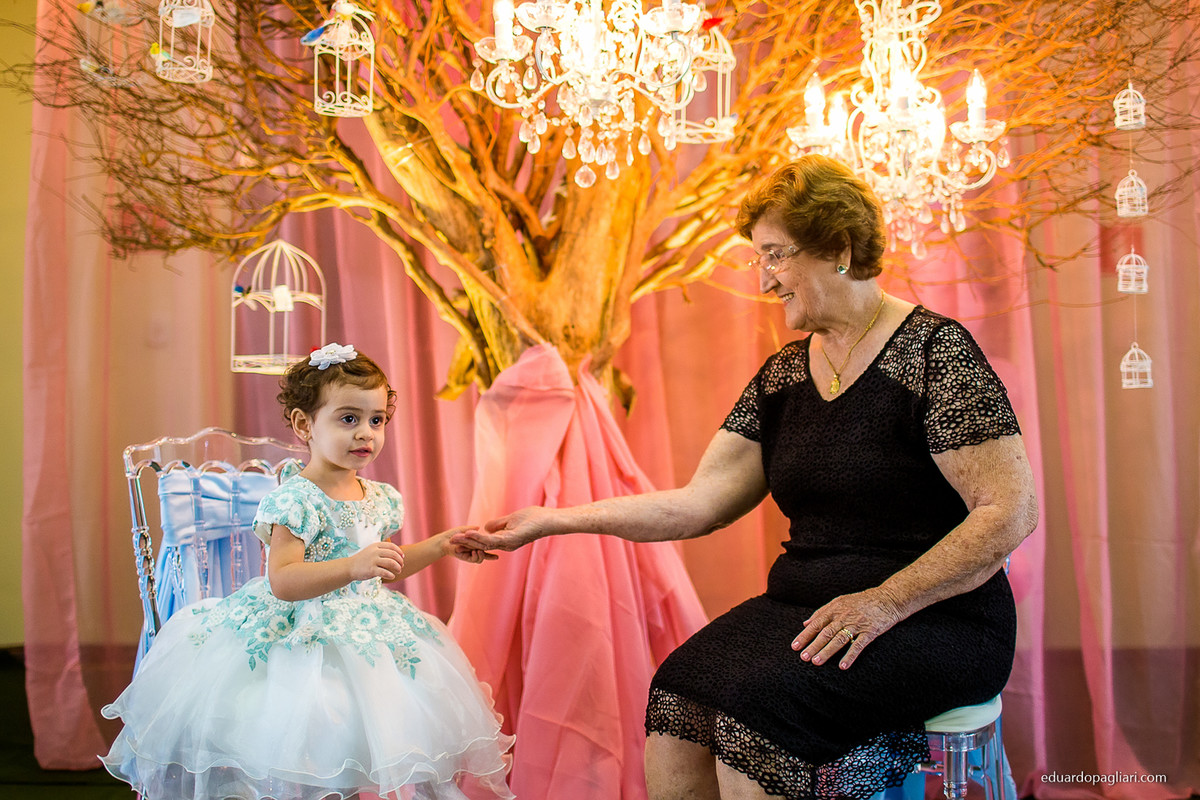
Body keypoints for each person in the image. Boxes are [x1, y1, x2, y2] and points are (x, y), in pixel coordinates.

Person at [453, 155, 1038, 800]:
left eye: (777, 257)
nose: (764, 282)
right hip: (806, 608)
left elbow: (1008, 512)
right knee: (678, 693)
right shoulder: (784, 376)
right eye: (758, 260)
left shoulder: (936, 353)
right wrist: (552, 520)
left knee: (754, 722)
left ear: (838, 249)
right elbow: (697, 505)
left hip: (935, 616)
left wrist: (883, 602)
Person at [102, 343, 514, 800]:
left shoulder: (378, 495)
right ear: (305, 425)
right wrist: (352, 566)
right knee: (313, 734)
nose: (367, 434)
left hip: (367, 632)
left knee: (368, 740)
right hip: (301, 634)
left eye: (377, 420)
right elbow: (283, 580)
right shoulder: (295, 499)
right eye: (348, 418)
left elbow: (384, 567)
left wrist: (439, 546)